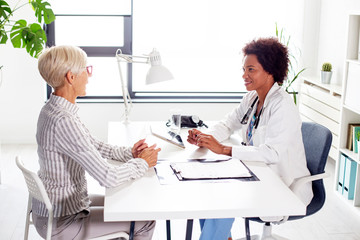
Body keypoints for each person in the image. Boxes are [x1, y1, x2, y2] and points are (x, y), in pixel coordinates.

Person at [187, 37, 313, 240]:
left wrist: (224, 149)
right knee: (210, 192)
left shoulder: (283, 106)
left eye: (251, 69)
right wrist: (205, 137)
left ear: (270, 71)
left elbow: (271, 153)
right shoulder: (252, 98)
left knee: (226, 198)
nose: (244, 75)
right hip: (257, 174)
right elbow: (229, 123)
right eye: (244, 69)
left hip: (282, 186)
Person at [33, 45, 161, 240]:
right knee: (144, 221)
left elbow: (93, 144)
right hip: (62, 220)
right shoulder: (64, 120)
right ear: (71, 77)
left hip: (58, 208)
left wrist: (130, 153)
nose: (89, 75)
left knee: (128, 205)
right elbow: (107, 176)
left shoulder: (53, 110)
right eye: (87, 69)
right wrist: (143, 162)